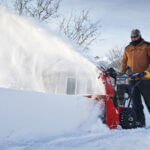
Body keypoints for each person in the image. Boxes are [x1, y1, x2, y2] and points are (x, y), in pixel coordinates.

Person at [120, 29, 150, 127]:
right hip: (132, 78)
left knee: (149, 101)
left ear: (139, 36)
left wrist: (146, 72)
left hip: (145, 78)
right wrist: (121, 73)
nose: (133, 38)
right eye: (132, 37)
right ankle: (140, 122)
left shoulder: (147, 46)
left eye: (135, 36)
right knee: (135, 103)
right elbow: (124, 62)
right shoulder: (128, 48)